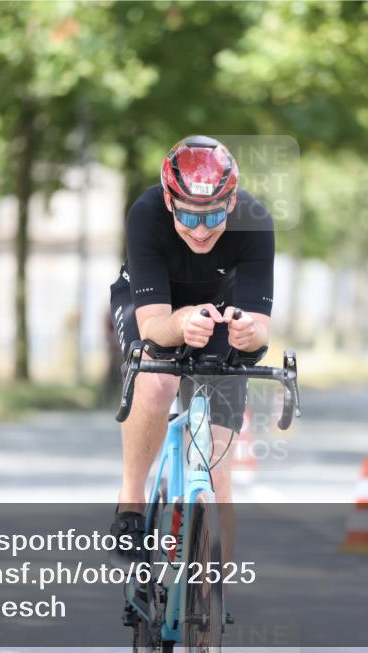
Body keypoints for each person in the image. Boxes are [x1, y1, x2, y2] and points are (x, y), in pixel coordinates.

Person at [108, 136, 275, 562]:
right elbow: (155, 327)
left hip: (220, 313)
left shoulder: (255, 219)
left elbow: (261, 333)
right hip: (151, 307)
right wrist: (182, 322)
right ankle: (131, 499)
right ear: (169, 201)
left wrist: (247, 334)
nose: (200, 230)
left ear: (232, 201)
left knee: (218, 465)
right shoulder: (145, 215)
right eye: (188, 216)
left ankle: (208, 594)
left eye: (214, 215)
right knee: (158, 378)